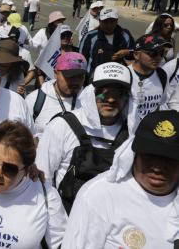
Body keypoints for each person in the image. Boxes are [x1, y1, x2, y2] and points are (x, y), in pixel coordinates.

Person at [62, 110, 179, 248]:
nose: (158, 167)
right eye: (149, 157)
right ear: (134, 154)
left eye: (169, 159)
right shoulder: (99, 195)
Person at [36, 62, 132, 212]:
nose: (111, 100)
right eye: (104, 93)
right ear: (91, 92)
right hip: (65, 219)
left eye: (118, 94)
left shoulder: (132, 133)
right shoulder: (61, 126)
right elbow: (42, 179)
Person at [26, 52, 86, 137]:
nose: (75, 82)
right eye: (70, 76)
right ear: (55, 73)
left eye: (80, 76)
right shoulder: (34, 99)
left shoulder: (89, 100)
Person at [127, 34, 172, 134]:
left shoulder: (162, 75)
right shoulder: (124, 75)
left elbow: (161, 105)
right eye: (153, 53)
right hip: (125, 134)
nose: (158, 57)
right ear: (136, 55)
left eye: (161, 53)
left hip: (149, 134)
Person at [79, 7, 135, 78]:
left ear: (117, 21)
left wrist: (127, 52)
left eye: (112, 21)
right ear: (100, 21)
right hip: (95, 79)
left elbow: (137, 53)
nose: (109, 25)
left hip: (119, 78)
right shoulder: (89, 37)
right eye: (105, 22)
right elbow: (81, 60)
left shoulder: (125, 35)